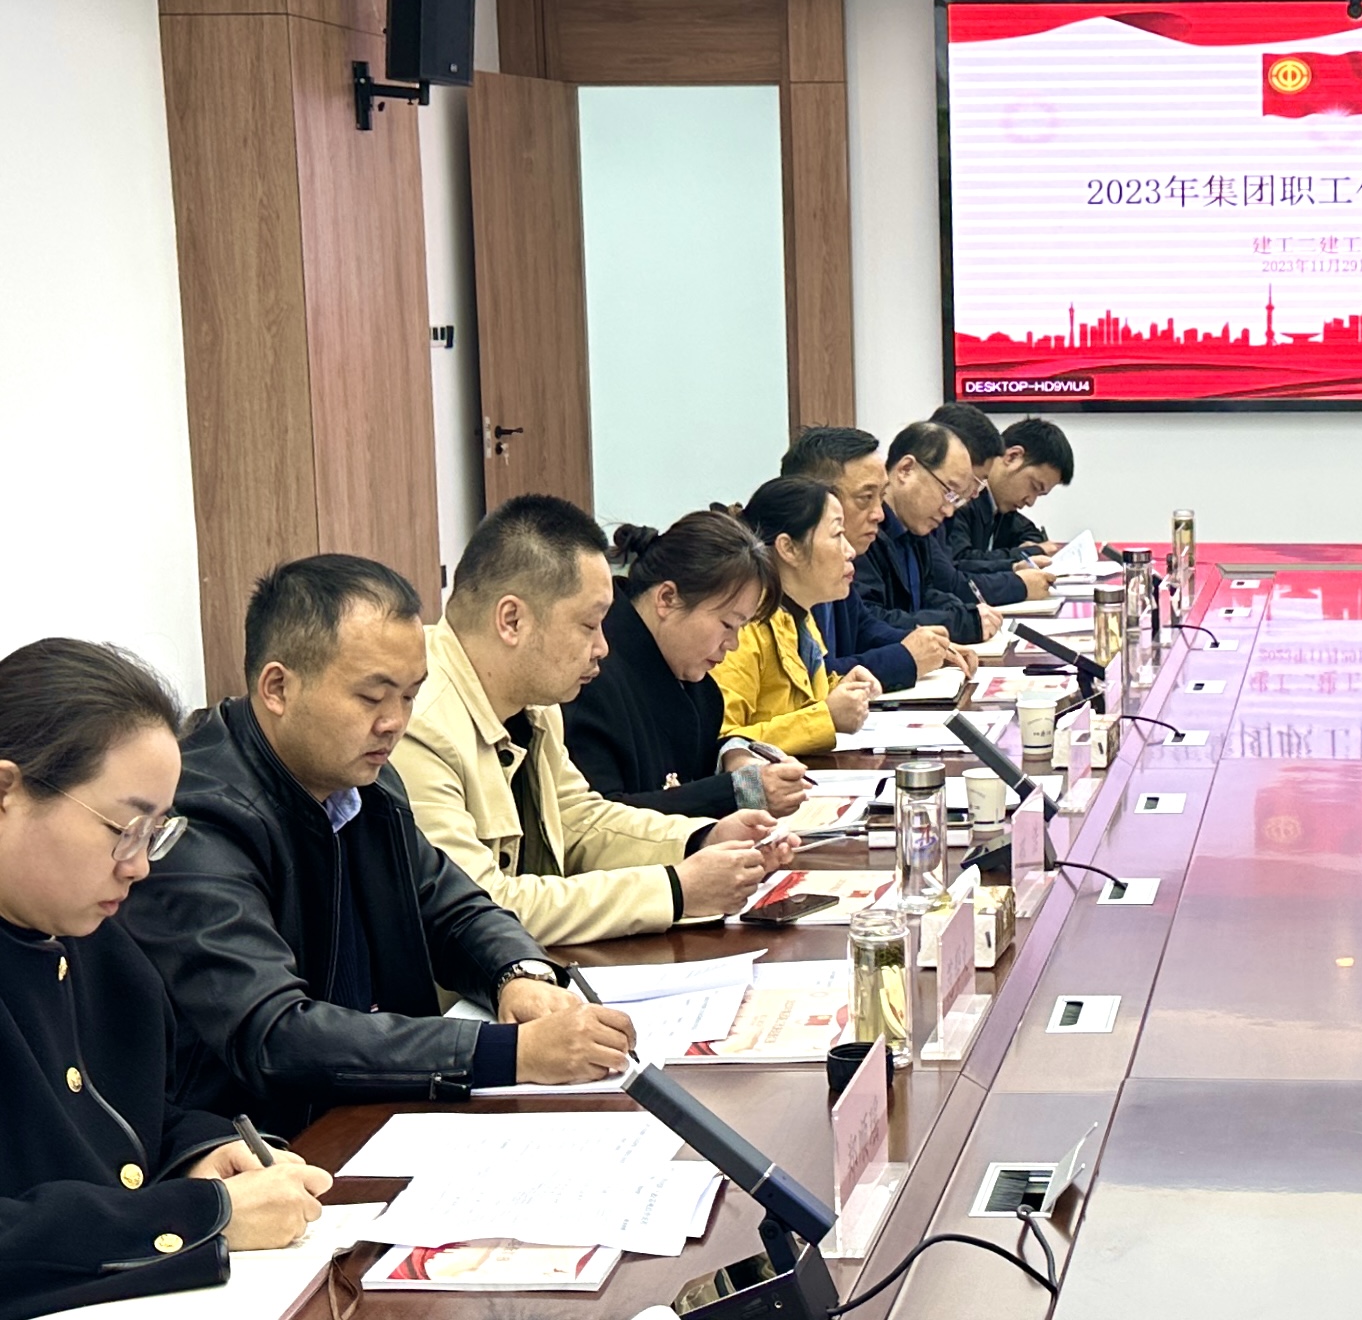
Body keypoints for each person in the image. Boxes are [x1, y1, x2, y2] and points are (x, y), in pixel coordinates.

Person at [121, 558, 635, 1136]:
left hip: (379, 1109)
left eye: (410, 696)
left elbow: (454, 907)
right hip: (265, 1144)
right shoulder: (198, 817)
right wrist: (508, 1052)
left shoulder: (366, 784)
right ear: (278, 688)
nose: (395, 723)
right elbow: (276, 1034)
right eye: (372, 698)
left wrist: (518, 974)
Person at [0, 638, 334, 1319]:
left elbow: (137, 1115)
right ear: (7, 791)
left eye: (157, 832)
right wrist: (201, 1212)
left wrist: (202, 1155)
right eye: (124, 829)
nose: (140, 865)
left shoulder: (102, 949)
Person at [394, 497, 797, 945]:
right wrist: (676, 889)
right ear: (512, 620)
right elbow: (480, 905)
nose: (603, 647)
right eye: (589, 626)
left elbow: (580, 821)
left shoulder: (535, 704)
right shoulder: (419, 722)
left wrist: (701, 838)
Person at [566, 512, 811, 821]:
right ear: (667, 598)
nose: (733, 643)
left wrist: (734, 756)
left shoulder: (696, 684)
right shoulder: (589, 676)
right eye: (727, 624)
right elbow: (600, 822)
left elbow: (694, 768)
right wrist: (739, 791)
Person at [777, 427, 963, 689]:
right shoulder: (773, 586)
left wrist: (929, 645)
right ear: (813, 499)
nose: (880, 514)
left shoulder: (841, 561)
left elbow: (864, 627)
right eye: (866, 498)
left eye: (881, 497)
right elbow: (806, 679)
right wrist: (904, 658)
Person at [714, 480, 886, 757]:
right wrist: (826, 717)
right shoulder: (743, 626)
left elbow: (796, 703)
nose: (850, 551)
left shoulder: (798, 614)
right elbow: (723, 744)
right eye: (837, 534)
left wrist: (843, 688)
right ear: (789, 548)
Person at [853, 422, 996, 651]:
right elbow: (869, 621)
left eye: (957, 500)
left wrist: (963, 611)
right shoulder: (863, 532)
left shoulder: (916, 530)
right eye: (948, 492)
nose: (949, 511)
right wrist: (959, 624)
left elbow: (925, 593)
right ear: (906, 469)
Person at [930, 405, 1058, 605]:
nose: (973, 493)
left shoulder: (997, 507)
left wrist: (1018, 563)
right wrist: (1017, 578)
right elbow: (954, 574)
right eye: (1034, 487)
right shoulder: (957, 506)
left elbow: (951, 578)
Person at [948, 413, 1071, 589]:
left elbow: (1028, 532)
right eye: (1034, 486)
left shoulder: (1000, 508)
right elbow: (959, 561)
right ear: (1013, 456)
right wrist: (1026, 555)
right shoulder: (962, 500)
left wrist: (1031, 545)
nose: (1030, 501)